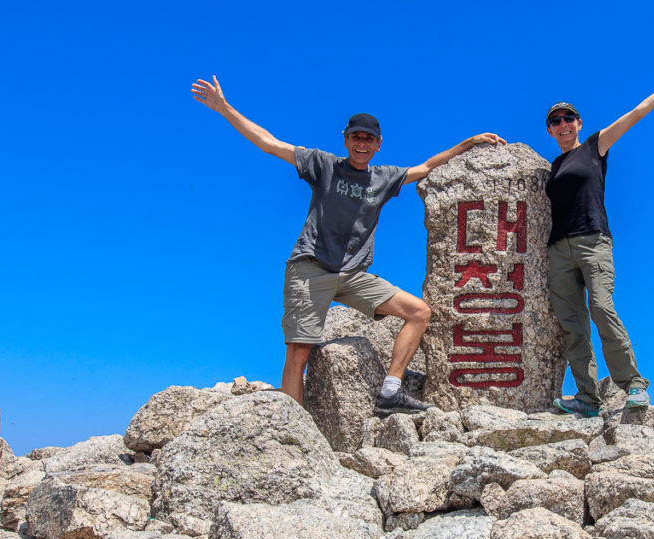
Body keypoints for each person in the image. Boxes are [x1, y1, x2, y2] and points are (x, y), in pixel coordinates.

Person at [191, 75, 505, 413]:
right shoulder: (323, 165)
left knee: (419, 312)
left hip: (354, 276)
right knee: (299, 351)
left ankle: (390, 391)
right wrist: (224, 108)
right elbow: (269, 143)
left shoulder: (384, 178)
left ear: (378, 144)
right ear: (345, 140)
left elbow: (427, 166)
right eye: (356, 137)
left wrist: (468, 143)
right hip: (311, 270)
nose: (362, 144)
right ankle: (291, 431)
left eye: (369, 139)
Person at [544, 57, 654, 417]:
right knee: (572, 325)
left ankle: (633, 384)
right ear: (550, 131)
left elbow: (635, 114)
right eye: (555, 121)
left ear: (578, 123)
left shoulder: (595, 147)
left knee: (602, 308)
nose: (563, 124)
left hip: (592, 241)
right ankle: (586, 397)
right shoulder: (552, 168)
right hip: (558, 250)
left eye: (568, 118)